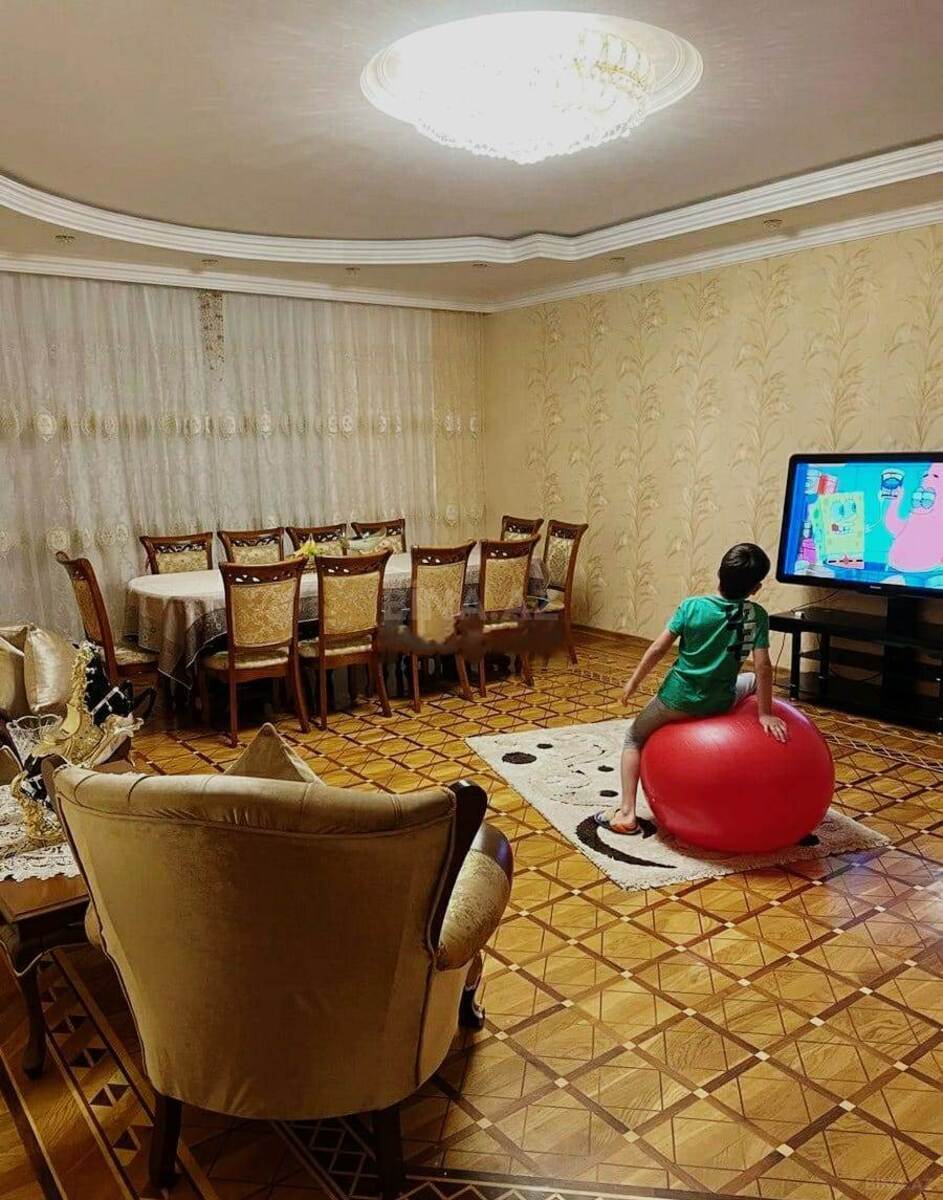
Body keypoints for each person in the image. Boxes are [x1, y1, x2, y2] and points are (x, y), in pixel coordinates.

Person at [597, 542, 788, 835]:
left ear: (719, 575)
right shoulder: (757, 615)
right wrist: (765, 713)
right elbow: (763, 667)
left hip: (675, 701)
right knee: (750, 680)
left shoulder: (692, 607)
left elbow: (658, 649)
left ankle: (626, 813)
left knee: (633, 737)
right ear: (756, 588)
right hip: (719, 701)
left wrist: (633, 682)